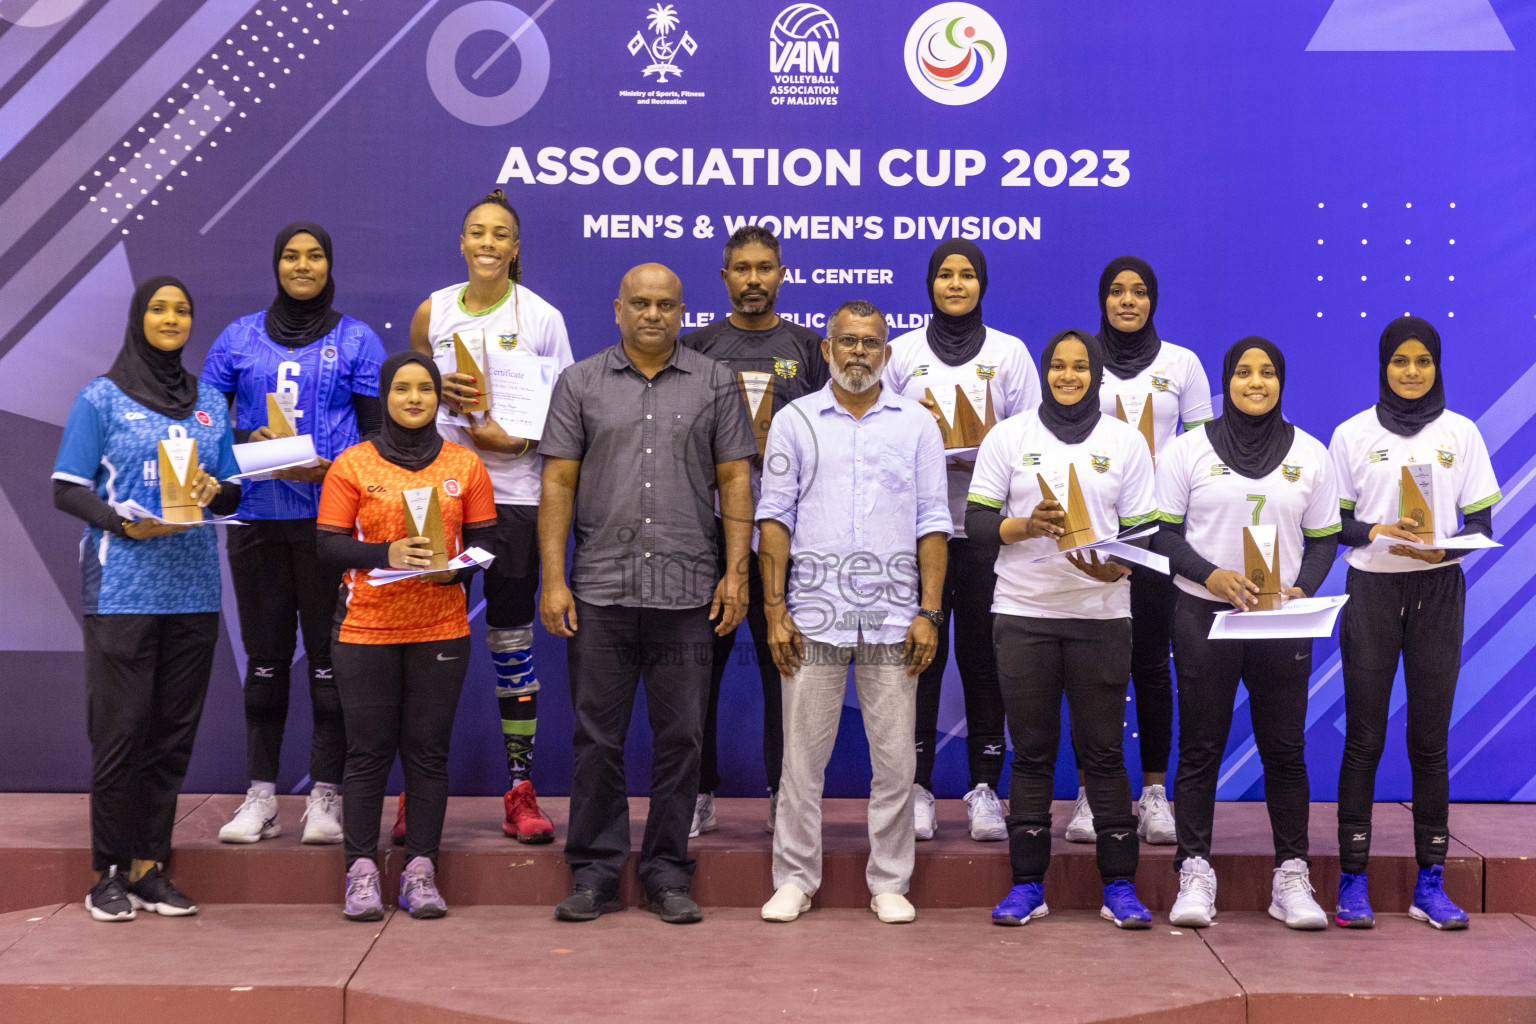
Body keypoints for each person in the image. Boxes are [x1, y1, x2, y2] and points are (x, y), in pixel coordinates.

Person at [540, 264, 755, 925]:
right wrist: (553, 578)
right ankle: (595, 873)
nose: (653, 314)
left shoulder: (717, 382)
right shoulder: (579, 382)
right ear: (617, 309)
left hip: (689, 593)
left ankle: (666, 872)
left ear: (682, 311)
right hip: (601, 589)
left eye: (665, 305)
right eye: (640, 303)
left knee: (682, 738)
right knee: (596, 739)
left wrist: (737, 572)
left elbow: (736, 482)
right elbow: (557, 486)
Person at [52, 276, 242, 921]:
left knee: (170, 736)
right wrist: (120, 522)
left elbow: (235, 489)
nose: (171, 318)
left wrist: (219, 490)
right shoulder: (100, 399)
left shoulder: (210, 401)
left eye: (182, 309)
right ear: (140, 318)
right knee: (120, 734)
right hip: (122, 589)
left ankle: (147, 868)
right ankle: (105, 872)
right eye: (159, 309)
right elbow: (67, 487)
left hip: (193, 590)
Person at [756, 300, 950, 926]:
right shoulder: (794, 421)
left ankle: (890, 881)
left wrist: (929, 610)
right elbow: (775, 518)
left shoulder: (917, 426)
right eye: (848, 341)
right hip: (813, 616)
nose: (859, 352)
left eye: (871, 342)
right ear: (827, 349)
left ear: (887, 353)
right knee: (800, 760)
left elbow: (933, 523)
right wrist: (775, 609)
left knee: (896, 761)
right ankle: (794, 878)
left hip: (896, 619)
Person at [966, 329, 1160, 929]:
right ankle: (1027, 885)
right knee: (1032, 754)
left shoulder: (1125, 442)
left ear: (1096, 374)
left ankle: (1120, 887)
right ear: (1046, 371)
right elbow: (975, 523)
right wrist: (1026, 526)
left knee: (1101, 753)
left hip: (1102, 617)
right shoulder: (1009, 435)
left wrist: (1114, 563)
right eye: (1057, 366)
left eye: (1080, 367)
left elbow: (1147, 534)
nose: (1068, 376)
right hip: (1024, 614)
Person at [204, 222, 386, 847]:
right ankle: (261, 797)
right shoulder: (237, 339)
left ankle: (325, 798)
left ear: (329, 264)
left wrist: (332, 467)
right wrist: (240, 442)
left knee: (331, 665)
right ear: (276, 264)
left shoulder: (357, 339)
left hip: (329, 525)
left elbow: (378, 445)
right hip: (257, 520)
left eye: (314, 256)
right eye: (290, 255)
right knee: (265, 662)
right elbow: (202, 433)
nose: (301, 266)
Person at [1154, 338, 1340, 930]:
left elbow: (1324, 536)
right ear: (1226, 382)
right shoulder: (1187, 451)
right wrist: (1210, 574)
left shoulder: (1310, 453)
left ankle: (1291, 875)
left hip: (1279, 621)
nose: (1254, 382)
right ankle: (1195, 869)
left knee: (1285, 749)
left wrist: (1304, 588)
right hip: (1203, 615)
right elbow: (1162, 534)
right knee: (1201, 746)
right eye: (1241, 372)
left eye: (1266, 373)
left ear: (1281, 382)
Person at [408, 187, 573, 844]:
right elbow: (406, 401)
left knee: (510, 641)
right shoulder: (434, 311)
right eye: (476, 231)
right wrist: (431, 394)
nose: (486, 243)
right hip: (443, 503)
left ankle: (519, 788)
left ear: (516, 247)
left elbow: (567, 417)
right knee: (425, 643)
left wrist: (520, 443)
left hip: (512, 505)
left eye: (499, 234)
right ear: (461, 241)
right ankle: (417, 792)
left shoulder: (541, 317)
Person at [1329, 316, 1499, 931]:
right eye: (1400, 360)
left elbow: (1481, 524)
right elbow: (1334, 524)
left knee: (1429, 742)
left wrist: (1446, 551)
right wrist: (1376, 532)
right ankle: (1352, 881)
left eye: (1422, 360)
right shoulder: (1351, 434)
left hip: (1438, 591)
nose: (1410, 371)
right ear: (1383, 365)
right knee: (1365, 740)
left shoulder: (1462, 432)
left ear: (1436, 366)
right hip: (1372, 590)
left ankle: (1432, 882)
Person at [316, 351, 496, 921]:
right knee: (367, 754)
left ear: (439, 396)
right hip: (365, 629)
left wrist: (458, 569)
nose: (414, 398)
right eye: (402, 389)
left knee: (427, 755)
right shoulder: (353, 464)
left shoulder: (465, 465)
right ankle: (361, 871)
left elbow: (490, 543)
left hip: (440, 627)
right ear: (386, 396)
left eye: (425, 388)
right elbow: (328, 544)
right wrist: (383, 554)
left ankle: (421, 870)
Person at [883, 239, 1040, 843]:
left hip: (984, 533)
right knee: (919, 660)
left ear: (982, 285)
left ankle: (983, 789)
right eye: (945, 275)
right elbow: (885, 438)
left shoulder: (1010, 353)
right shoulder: (901, 353)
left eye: (967, 275)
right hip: (919, 533)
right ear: (930, 284)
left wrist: (987, 466)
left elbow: (1031, 443)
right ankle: (916, 787)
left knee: (984, 660)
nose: (955, 285)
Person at [680, 225, 828, 837]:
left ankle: (782, 792)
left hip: (791, 534)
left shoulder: (810, 350)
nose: (753, 280)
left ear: (781, 275)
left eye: (765, 268)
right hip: (707, 531)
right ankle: (697, 790)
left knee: (785, 662)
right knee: (696, 665)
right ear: (724, 278)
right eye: (741, 269)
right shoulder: (696, 348)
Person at [1065, 255, 1212, 847]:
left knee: (1151, 666)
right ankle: (1088, 794)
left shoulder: (1183, 365)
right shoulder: (1079, 361)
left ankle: (1154, 793)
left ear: (1153, 300)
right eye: (1117, 292)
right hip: (1095, 535)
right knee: (1092, 669)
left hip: (1157, 537)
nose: (1128, 301)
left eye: (1140, 292)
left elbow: (1204, 451)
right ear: (1102, 299)